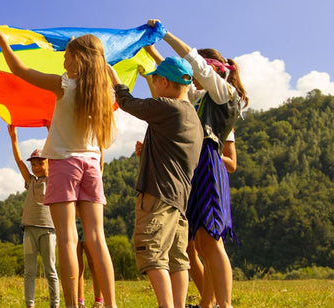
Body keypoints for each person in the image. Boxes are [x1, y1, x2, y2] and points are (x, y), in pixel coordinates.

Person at [0, 30, 118, 308]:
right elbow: (119, 91)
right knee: (98, 239)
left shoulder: (65, 85)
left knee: (67, 238)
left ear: (79, 59)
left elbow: (20, 69)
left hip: (64, 164)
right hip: (92, 166)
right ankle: (111, 304)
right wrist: (109, 72)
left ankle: (72, 304)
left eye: (67, 55)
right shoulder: (105, 94)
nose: (63, 60)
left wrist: (3, 44)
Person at [146, 20, 248, 308]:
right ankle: (207, 303)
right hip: (193, 167)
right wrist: (154, 54)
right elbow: (180, 82)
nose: (192, 77)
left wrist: (165, 35)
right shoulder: (200, 97)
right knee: (200, 242)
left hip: (209, 165)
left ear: (210, 70)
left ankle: (224, 304)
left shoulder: (224, 94)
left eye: (198, 71)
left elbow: (192, 62)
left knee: (212, 241)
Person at [108, 55, 203, 308]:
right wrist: (148, 150)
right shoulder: (193, 117)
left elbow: (128, 102)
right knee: (177, 258)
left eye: (155, 80)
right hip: (179, 199)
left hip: (158, 194)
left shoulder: (168, 107)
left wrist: (112, 76)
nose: (154, 85)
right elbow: (174, 153)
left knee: (152, 252)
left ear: (163, 81)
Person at [8, 126, 60, 308]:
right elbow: (19, 161)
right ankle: (29, 304)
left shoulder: (54, 178)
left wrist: (51, 130)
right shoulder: (30, 181)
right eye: (34, 164)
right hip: (29, 229)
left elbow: (57, 152)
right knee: (29, 271)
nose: (36, 167)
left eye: (41, 163)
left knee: (50, 270)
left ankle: (55, 304)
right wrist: (14, 138)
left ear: (48, 163)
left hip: (48, 230)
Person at [76, 219, 103, 308]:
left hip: (88, 221)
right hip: (73, 222)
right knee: (77, 266)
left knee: (94, 264)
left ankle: (98, 301)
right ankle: (79, 302)